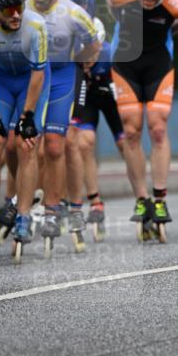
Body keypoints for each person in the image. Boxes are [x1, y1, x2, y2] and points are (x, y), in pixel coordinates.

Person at [106, 0, 178, 238]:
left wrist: (167, 32)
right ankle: (141, 198)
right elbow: (111, 8)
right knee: (131, 131)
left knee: (157, 128)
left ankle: (159, 199)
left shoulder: (177, 3)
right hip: (126, 64)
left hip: (158, 65)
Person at [25, 0, 100, 249]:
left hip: (61, 79)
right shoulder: (19, 7)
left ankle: (53, 210)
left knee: (56, 145)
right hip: (30, 77)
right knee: (25, 144)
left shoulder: (72, 12)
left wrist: (81, 60)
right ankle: (17, 204)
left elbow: (94, 44)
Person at [0, 0, 50, 255]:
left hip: (30, 81)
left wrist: (27, 116)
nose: (16, 15)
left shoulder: (36, 25)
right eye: (8, 10)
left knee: (26, 144)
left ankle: (24, 215)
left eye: (20, 7)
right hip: (0, 81)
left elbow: (39, 75)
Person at [69, 16, 125, 239]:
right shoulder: (75, 59)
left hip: (112, 98)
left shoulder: (111, 56)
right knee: (84, 144)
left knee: (124, 142)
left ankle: (143, 197)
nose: (87, 59)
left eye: (91, 53)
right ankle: (95, 202)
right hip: (89, 99)